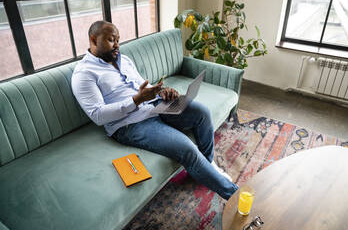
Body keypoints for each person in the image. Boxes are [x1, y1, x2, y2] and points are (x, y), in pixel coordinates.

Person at [71, 20, 238, 200]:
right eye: (111, 40)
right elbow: (98, 115)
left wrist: (161, 92)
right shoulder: (84, 74)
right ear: (93, 40)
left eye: (118, 40)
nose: (117, 45)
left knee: (201, 113)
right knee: (187, 149)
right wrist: (137, 100)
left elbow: (141, 85)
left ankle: (207, 164)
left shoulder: (124, 59)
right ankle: (235, 196)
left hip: (154, 106)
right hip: (130, 125)